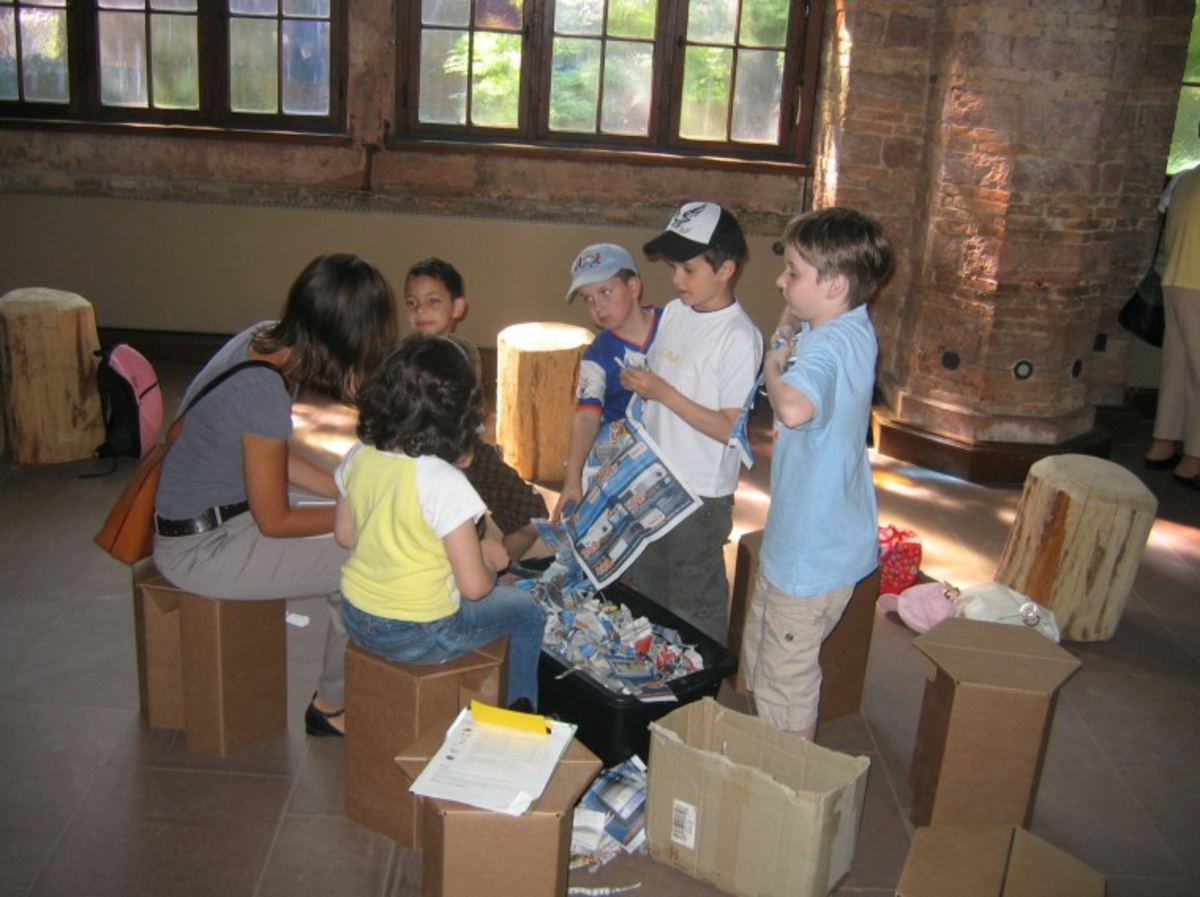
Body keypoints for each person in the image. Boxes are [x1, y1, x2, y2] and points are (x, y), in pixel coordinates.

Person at [153, 252, 400, 737]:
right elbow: (276, 520)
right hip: (202, 547)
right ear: (344, 340)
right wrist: (357, 512)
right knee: (368, 558)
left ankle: (338, 693)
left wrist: (346, 488)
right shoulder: (263, 391)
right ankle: (331, 707)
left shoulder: (263, 338)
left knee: (356, 527)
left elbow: (270, 455)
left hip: (220, 511)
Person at [740, 207, 893, 740]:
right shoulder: (849, 322)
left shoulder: (826, 345)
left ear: (834, 284)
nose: (781, 281)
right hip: (822, 536)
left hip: (810, 555)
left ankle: (789, 784)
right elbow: (799, 326)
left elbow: (796, 410)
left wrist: (772, 367)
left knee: (786, 682)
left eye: (794, 273)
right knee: (765, 655)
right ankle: (770, 741)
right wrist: (789, 326)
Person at [334, 335, 547, 708]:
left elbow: (346, 535)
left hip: (355, 616)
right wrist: (491, 560)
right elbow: (475, 588)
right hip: (422, 633)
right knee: (528, 612)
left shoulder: (360, 453)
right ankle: (522, 714)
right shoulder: (444, 481)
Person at [619, 201, 763, 644]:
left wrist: (662, 391)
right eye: (672, 268)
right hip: (655, 476)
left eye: (687, 269)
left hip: (700, 496)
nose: (676, 279)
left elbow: (728, 428)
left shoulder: (739, 337)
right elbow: (668, 375)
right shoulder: (678, 312)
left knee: (694, 603)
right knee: (647, 588)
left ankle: (696, 702)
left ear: (725, 269)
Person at [404, 258, 550, 561]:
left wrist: (471, 446)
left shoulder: (466, 351)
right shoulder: (403, 359)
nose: (421, 311)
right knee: (458, 530)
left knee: (533, 516)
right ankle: (469, 570)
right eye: (412, 303)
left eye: (433, 301)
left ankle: (495, 568)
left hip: (467, 449)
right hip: (422, 458)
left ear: (457, 308)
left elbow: (475, 407)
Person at [551, 242, 661, 522]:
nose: (597, 306)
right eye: (587, 299)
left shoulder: (672, 324)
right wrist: (572, 478)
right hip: (621, 450)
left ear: (634, 287)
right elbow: (587, 417)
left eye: (605, 292)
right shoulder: (596, 355)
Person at [1143, 163, 1200, 488]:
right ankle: (1194, 459)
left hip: (1175, 281)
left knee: (1176, 369)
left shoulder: (1183, 179)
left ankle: (1162, 444)